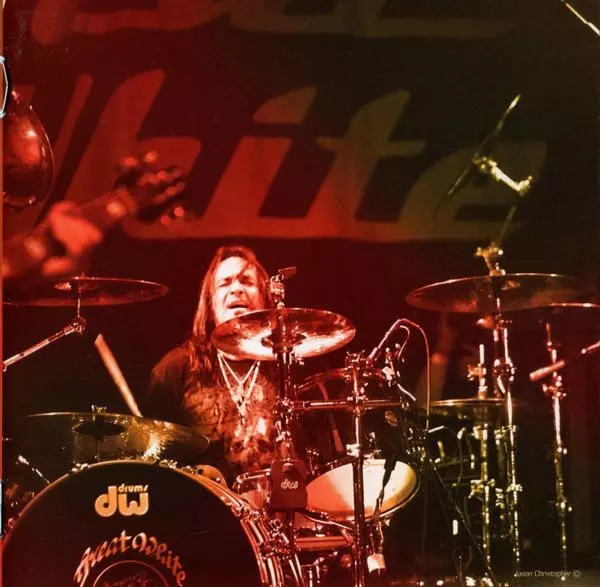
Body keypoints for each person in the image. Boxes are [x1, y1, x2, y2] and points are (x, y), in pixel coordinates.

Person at [145, 245, 292, 483]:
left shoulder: (287, 366)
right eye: (225, 283)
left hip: (279, 503)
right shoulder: (177, 366)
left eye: (247, 281)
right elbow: (150, 459)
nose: (237, 289)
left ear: (265, 298)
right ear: (210, 304)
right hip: (202, 503)